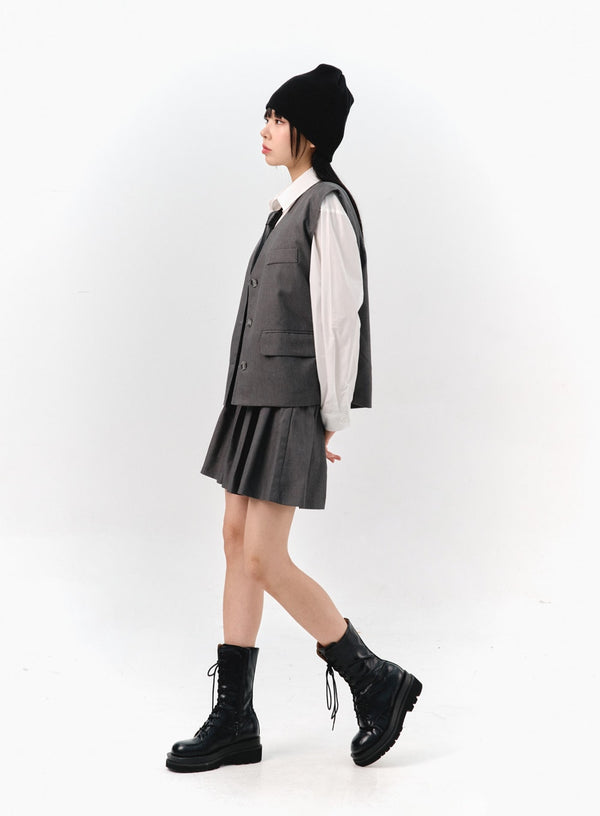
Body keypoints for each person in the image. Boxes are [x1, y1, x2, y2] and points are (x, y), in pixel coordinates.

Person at [165, 64, 421, 773]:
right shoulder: (284, 207)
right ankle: (235, 719)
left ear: (307, 132)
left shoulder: (326, 208)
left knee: (264, 557)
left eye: (277, 118)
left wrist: (330, 414)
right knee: (234, 540)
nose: (265, 129)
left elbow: (340, 320)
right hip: (252, 400)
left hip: (290, 402)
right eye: (268, 117)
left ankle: (374, 678)